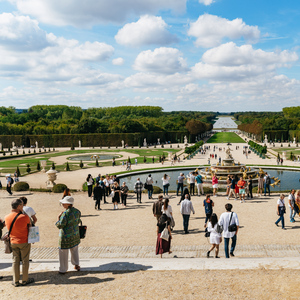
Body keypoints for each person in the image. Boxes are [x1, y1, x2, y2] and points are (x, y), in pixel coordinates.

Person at [5, 198, 34, 286]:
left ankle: (16, 280)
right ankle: (25, 279)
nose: (23, 206)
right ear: (18, 206)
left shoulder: (7, 217)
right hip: (24, 241)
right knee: (25, 261)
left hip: (13, 241)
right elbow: (30, 226)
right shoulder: (24, 217)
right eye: (22, 205)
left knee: (15, 261)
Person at [55, 196, 81, 274]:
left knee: (63, 252)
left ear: (68, 204)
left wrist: (58, 218)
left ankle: (63, 269)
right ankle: (76, 264)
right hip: (75, 234)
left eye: (63, 203)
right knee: (75, 250)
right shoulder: (77, 211)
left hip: (65, 235)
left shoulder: (65, 214)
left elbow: (60, 225)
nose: (62, 204)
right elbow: (78, 220)